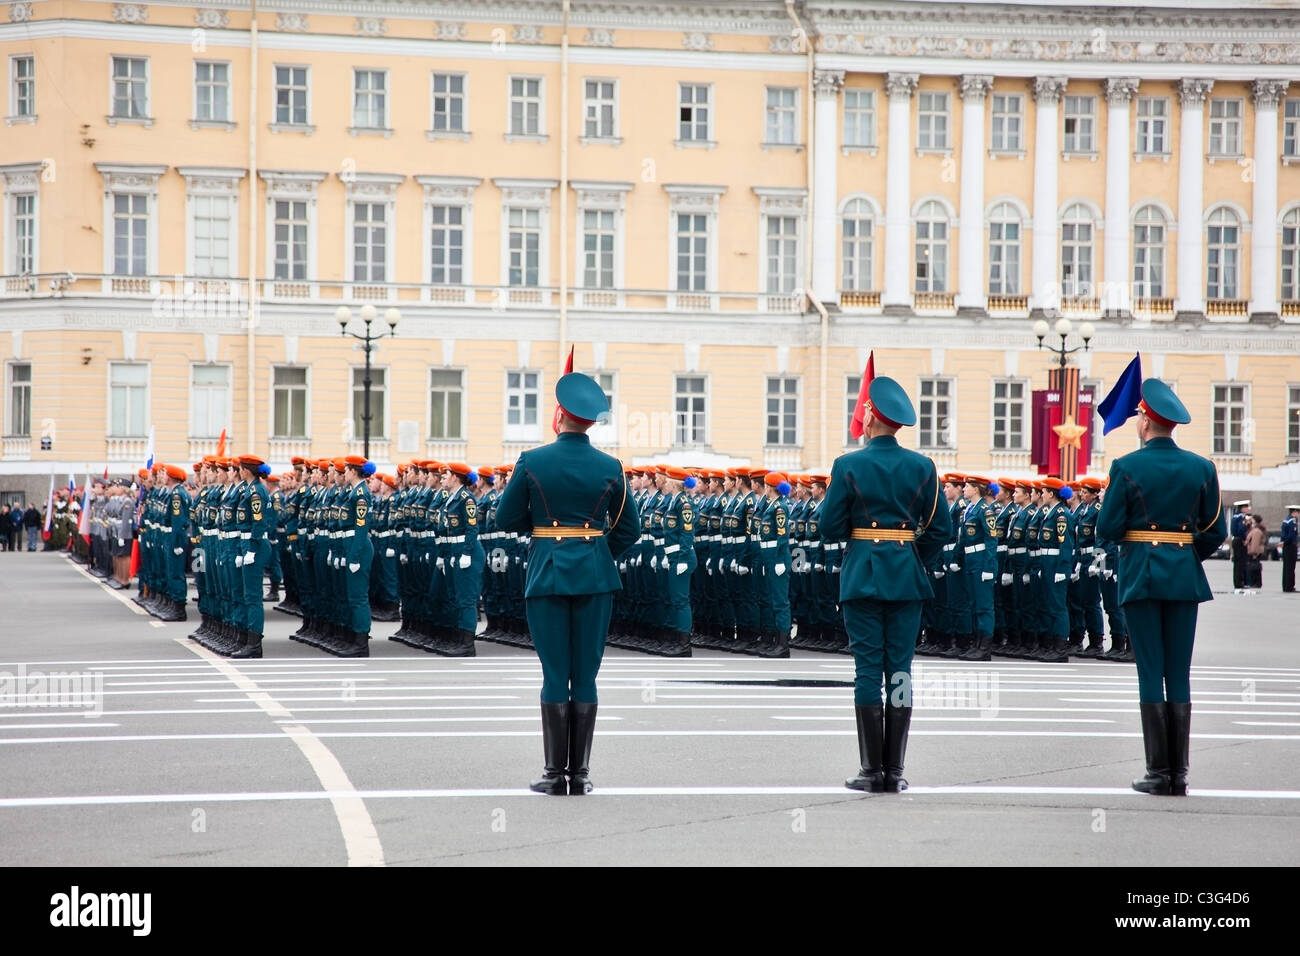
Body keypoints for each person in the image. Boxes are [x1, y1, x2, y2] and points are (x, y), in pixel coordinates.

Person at [493, 371, 641, 796]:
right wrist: (595, 553)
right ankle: (581, 775)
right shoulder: (610, 466)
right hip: (595, 576)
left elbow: (506, 518)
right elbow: (629, 529)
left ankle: (555, 775)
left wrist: (543, 533)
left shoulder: (532, 460)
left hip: (547, 571)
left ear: (560, 417)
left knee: (555, 672)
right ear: (591, 422)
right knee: (588, 674)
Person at [819, 376, 952, 793]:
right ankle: (894, 772)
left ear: (872, 416)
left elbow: (828, 527)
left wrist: (860, 541)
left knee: (865, 672)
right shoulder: (923, 466)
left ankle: (869, 771)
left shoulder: (848, 465)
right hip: (907, 580)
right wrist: (910, 557)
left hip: (862, 576)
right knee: (900, 673)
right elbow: (940, 529)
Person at [1095, 378, 1226, 797]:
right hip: (1184, 576)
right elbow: (1214, 532)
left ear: (1147, 421)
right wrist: (1183, 554)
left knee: (1150, 671)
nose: (1136, 421)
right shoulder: (1202, 467)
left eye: (1137, 415)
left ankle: (1158, 772)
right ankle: (1180, 774)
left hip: (1141, 575)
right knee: (1179, 673)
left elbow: (1107, 527)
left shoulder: (1127, 467)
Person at [1229, 500, 1251, 591]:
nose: (1247, 509)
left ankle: (1237, 582)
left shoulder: (1235, 516)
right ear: (1242, 508)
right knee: (1241, 563)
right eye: (1246, 507)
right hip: (1240, 541)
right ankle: (1240, 583)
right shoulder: (1241, 517)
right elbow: (1241, 529)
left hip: (1235, 540)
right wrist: (1244, 539)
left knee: (1237, 563)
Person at [1245, 516, 1267, 590]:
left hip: (1255, 551)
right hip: (1256, 550)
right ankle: (1256, 582)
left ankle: (1256, 583)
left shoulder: (1256, 530)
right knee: (1255, 567)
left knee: (1255, 568)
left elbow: (1255, 542)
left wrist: (1254, 552)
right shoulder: (1256, 529)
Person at [1282, 505, 1298, 593]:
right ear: (1294, 512)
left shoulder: (1286, 520)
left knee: (1286, 567)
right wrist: (1285, 542)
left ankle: (1285, 585)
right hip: (1290, 545)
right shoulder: (1292, 521)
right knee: (1291, 567)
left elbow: (1283, 534)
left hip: (1286, 546)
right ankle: (1289, 586)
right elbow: (1291, 535)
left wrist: (1282, 542)